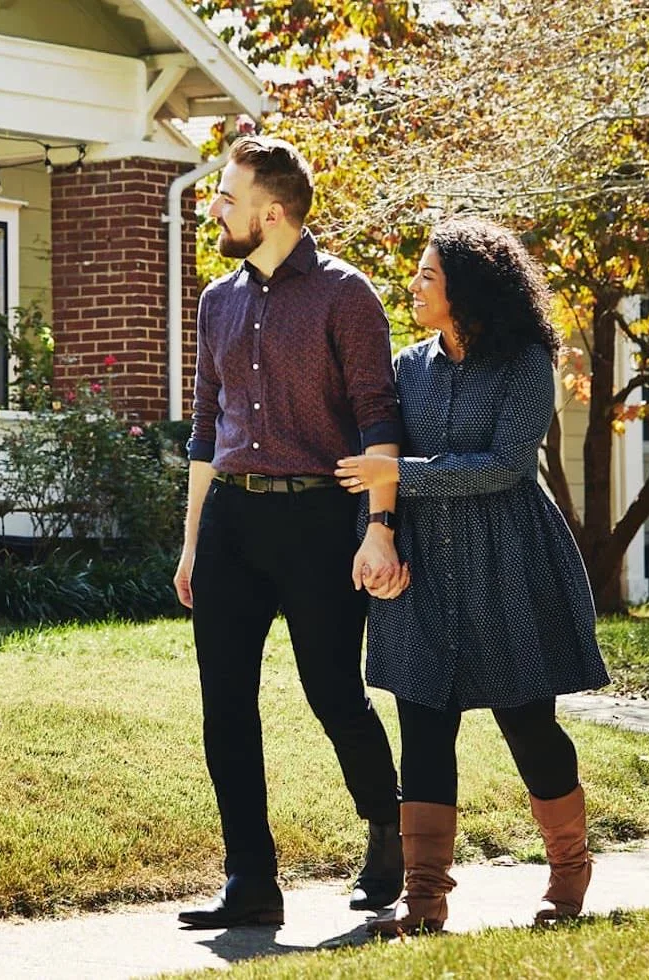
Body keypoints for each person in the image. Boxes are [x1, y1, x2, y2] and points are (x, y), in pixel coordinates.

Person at [335, 217, 610, 936]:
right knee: (424, 728)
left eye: (429, 275)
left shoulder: (525, 363)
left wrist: (399, 475)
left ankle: (568, 880)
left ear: (469, 290)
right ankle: (424, 905)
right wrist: (381, 531)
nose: (414, 286)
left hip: (510, 563)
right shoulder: (407, 368)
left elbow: (504, 467)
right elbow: (379, 460)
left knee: (530, 725)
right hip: (423, 572)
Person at [173, 135, 410, 929]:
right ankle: (250, 881)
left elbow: (380, 417)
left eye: (228, 198)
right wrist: (193, 540)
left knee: (333, 692)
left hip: (316, 519)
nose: (217, 210)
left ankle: (387, 829)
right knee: (224, 704)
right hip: (234, 520)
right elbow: (206, 428)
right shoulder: (217, 300)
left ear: (272, 212)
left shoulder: (347, 295)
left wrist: (378, 530)